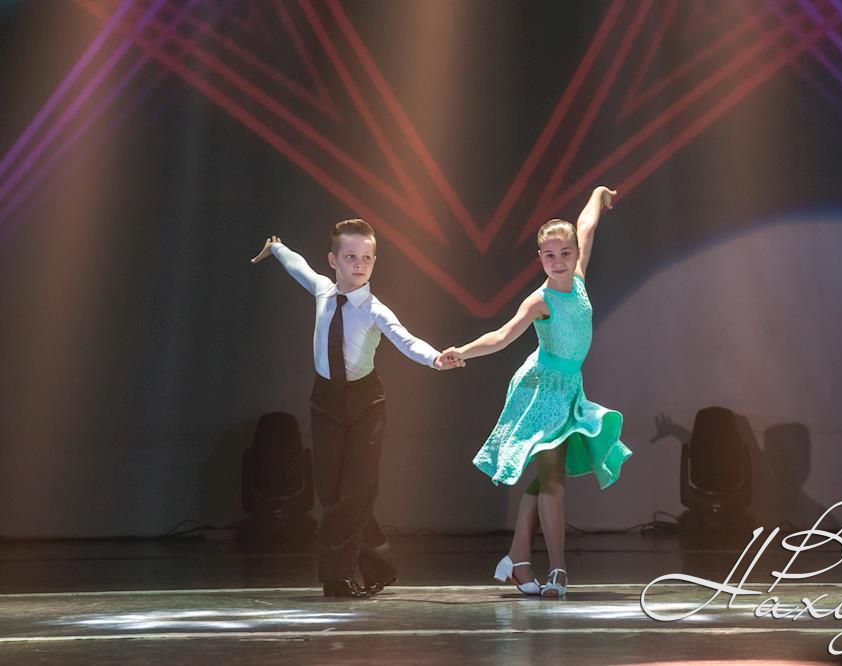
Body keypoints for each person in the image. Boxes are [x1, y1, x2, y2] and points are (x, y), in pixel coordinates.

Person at [251, 219, 462, 598]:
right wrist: (277, 248)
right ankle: (379, 566)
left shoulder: (375, 310)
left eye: (366, 258)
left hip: (365, 403)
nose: (359, 264)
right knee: (332, 493)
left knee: (357, 490)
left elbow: (406, 340)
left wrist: (435, 358)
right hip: (325, 400)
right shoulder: (322, 290)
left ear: (374, 262)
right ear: (334, 260)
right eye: (350, 257)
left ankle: (337, 577)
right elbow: (298, 265)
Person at [446, 186, 632, 598]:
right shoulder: (540, 300)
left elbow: (587, 224)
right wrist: (463, 352)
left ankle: (517, 557)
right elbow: (501, 336)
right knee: (552, 480)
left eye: (565, 253)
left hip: (569, 388)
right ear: (540, 258)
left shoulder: (578, 279)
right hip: (541, 389)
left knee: (550, 475)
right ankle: (559, 570)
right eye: (550, 255)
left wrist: (598, 194)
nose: (559, 260)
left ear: (575, 254)